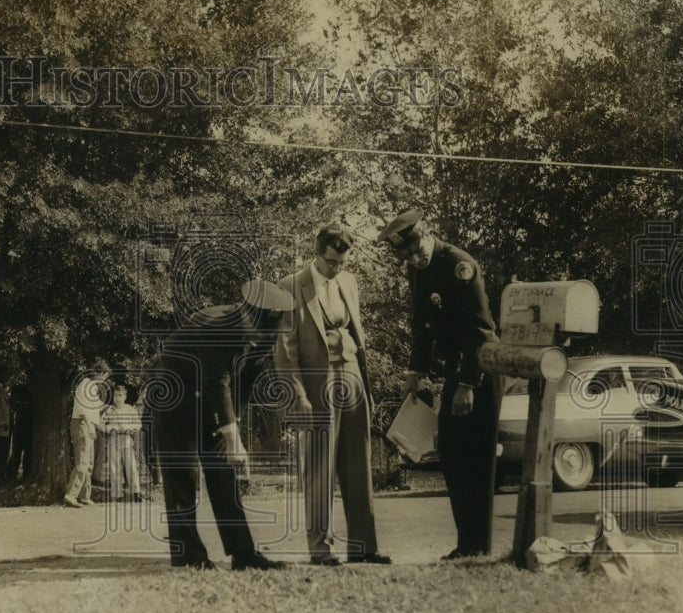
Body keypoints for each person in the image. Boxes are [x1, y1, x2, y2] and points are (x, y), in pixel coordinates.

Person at [378, 209, 502, 560]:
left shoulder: (459, 265)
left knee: (475, 459)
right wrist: (413, 372)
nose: (415, 259)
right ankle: (467, 544)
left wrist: (467, 385)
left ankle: (479, 545)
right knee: (451, 453)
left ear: (428, 232)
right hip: (456, 371)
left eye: (417, 250)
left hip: (478, 369)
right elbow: (421, 325)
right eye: (407, 255)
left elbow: (479, 330)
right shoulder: (418, 272)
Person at [152, 279, 294, 570]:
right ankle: (189, 557)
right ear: (246, 312)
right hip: (175, 402)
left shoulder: (265, 331)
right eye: (256, 332)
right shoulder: (215, 324)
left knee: (224, 474)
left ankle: (243, 554)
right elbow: (216, 381)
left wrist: (235, 429)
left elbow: (245, 380)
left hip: (212, 404)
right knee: (182, 477)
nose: (260, 338)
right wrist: (232, 439)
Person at [274, 224, 389, 566]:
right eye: (330, 262)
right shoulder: (291, 286)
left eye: (341, 262)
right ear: (317, 252)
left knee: (358, 465)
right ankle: (321, 549)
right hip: (316, 385)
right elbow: (284, 350)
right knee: (320, 469)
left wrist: (366, 388)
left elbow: (358, 333)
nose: (336, 268)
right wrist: (298, 396)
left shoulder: (349, 282)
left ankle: (363, 547)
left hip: (351, 374)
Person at [63, 362, 110, 508]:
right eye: (104, 376)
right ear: (99, 374)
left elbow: (94, 410)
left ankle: (85, 496)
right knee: (82, 462)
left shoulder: (91, 387)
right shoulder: (86, 385)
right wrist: (90, 427)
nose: (104, 379)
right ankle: (71, 494)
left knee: (88, 463)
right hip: (83, 425)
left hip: (88, 425)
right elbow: (84, 410)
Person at [102, 384, 143, 502]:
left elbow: (138, 424)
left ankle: (136, 493)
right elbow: (101, 424)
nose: (118, 398)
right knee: (114, 468)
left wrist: (129, 427)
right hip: (113, 439)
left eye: (120, 395)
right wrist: (110, 428)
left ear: (125, 397)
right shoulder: (109, 410)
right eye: (115, 395)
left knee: (131, 466)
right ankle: (117, 495)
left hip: (126, 439)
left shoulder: (130, 409)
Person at [6, 382, 33, 484]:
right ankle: (22, 477)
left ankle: (11, 477)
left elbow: (12, 405)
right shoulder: (28, 396)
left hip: (21, 426)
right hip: (26, 426)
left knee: (18, 453)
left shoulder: (17, 399)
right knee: (25, 454)